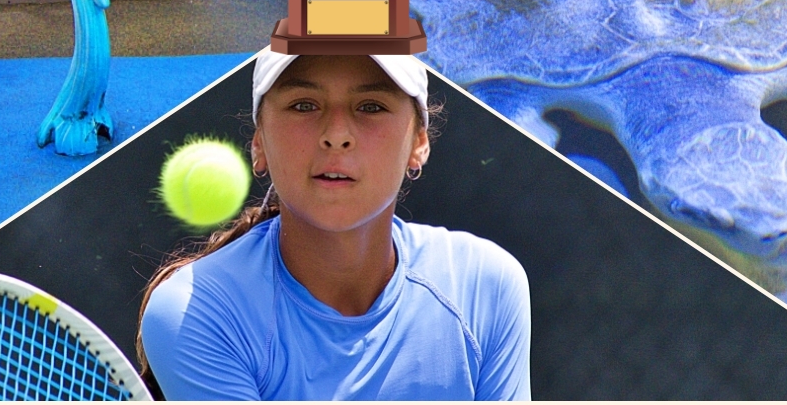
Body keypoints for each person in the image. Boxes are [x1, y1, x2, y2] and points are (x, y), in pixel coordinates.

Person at [138, 52, 531, 400]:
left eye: (371, 106)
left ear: (419, 143)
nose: (336, 135)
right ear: (259, 143)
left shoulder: (487, 285)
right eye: (305, 105)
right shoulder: (195, 311)